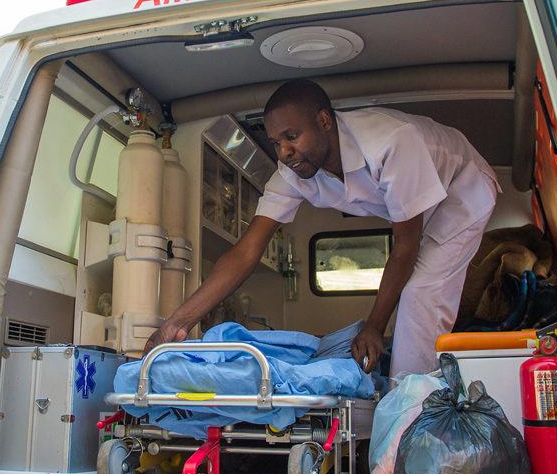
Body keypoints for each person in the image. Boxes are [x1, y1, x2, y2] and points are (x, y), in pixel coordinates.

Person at [143, 78, 499, 376]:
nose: (284, 152)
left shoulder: (390, 144)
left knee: (421, 293)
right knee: (411, 294)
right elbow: (246, 251)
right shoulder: (292, 174)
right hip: (421, 204)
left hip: (461, 190)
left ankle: (408, 419)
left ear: (325, 121)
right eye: (276, 143)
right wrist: (176, 323)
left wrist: (375, 326)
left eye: (292, 136)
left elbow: (404, 247)